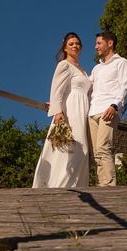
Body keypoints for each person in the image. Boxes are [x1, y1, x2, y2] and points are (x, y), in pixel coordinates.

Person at [32, 32, 92, 189]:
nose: (75, 46)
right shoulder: (64, 65)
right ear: (65, 48)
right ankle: (60, 187)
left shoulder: (84, 70)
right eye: (71, 44)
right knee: (74, 148)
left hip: (83, 110)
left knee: (82, 150)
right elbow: (57, 89)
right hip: (71, 109)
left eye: (77, 43)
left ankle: (77, 187)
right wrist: (57, 111)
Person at [88, 30, 127, 187]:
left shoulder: (122, 63)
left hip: (108, 110)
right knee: (96, 154)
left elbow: (124, 88)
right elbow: (85, 88)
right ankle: (101, 185)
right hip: (92, 112)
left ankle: (109, 186)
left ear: (110, 43)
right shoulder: (96, 69)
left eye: (99, 43)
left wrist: (114, 106)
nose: (96, 47)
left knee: (103, 148)